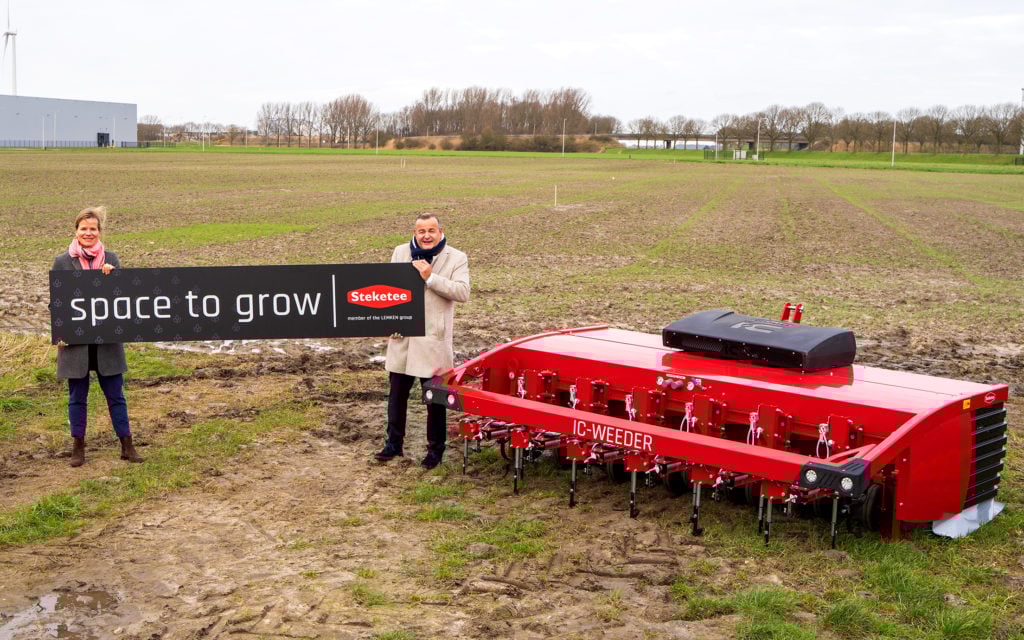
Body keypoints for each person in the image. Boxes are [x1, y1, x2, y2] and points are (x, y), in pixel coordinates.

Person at [376, 213, 470, 469]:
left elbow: (462, 292)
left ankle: (435, 451)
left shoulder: (456, 257)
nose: (426, 236)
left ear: (440, 231)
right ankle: (393, 445)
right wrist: (389, 321)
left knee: (435, 400)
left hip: (433, 342)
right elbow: (388, 290)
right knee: (397, 395)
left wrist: (430, 277)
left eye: (431, 230)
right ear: (415, 232)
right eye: (421, 231)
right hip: (403, 339)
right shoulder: (400, 252)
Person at [52, 206, 143, 467]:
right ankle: (78, 447)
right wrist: (61, 331)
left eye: (93, 229)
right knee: (76, 397)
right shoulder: (62, 262)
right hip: (75, 344)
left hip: (107, 343)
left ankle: (127, 445)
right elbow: (57, 302)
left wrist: (112, 279)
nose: (88, 233)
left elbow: (123, 300)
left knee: (116, 395)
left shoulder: (111, 259)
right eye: (84, 229)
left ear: (99, 231)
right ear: (76, 231)